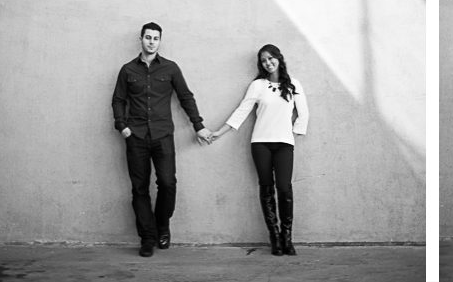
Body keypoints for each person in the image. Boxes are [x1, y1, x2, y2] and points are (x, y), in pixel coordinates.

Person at [111, 22, 211, 257]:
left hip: (163, 135)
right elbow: (118, 100)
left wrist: (198, 126)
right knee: (139, 189)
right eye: (148, 37)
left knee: (167, 183)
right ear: (141, 39)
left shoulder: (171, 68)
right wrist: (122, 126)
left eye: (156, 38)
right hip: (135, 136)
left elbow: (186, 97)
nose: (151, 41)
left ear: (160, 41)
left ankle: (162, 226)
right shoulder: (127, 70)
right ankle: (147, 237)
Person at [207, 44, 309, 256]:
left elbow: (304, 113)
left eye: (271, 58)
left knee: (284, 187)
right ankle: (275, 238)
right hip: (260, 143)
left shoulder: (293, 84)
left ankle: (287, 237)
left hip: (284, 144)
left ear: (279, 58)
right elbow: (242, 111)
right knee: (266, 188)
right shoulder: (258, 85)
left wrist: (294, 134)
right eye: (264, 61)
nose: (268, 63)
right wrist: (220, 132)